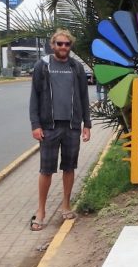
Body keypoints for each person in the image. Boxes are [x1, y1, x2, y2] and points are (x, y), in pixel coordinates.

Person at [28, 29, 92, 231]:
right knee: (46, 170)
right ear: (52, 45)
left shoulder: (76, 68)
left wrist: (87, 124)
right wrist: (35, 125)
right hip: (49, 127)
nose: (63, 47)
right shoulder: (43, 66)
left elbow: (83, 96)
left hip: (72, 126)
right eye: (59, 44)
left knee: (69, 167)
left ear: (70, 47)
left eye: (67, 44)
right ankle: (41, 211)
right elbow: (34, 97)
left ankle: (66, 204)